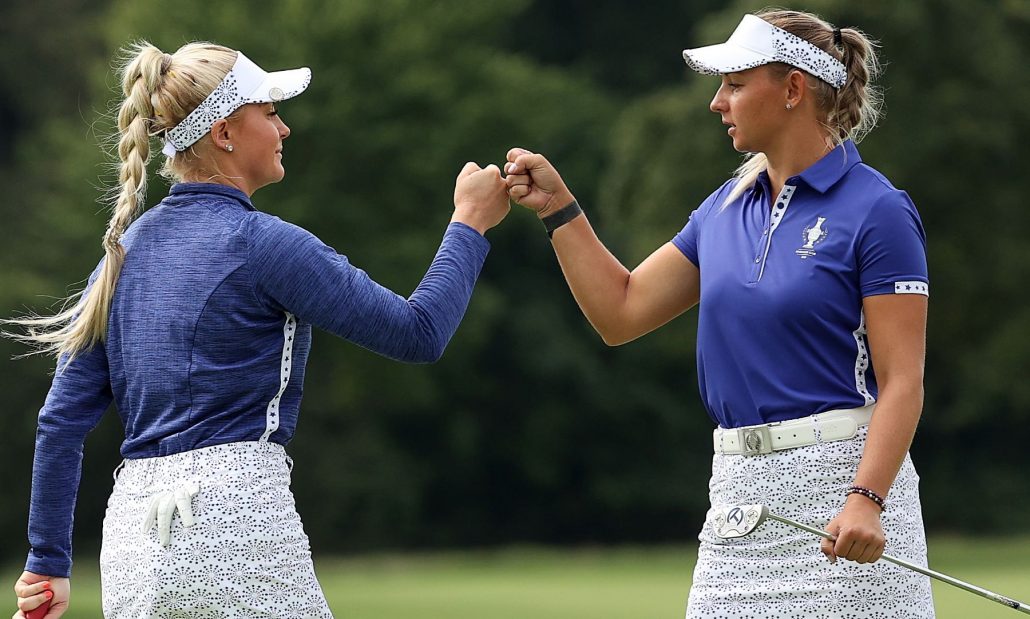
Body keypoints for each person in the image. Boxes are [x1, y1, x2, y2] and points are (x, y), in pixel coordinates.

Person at [8, 40, 509, 618]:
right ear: (223, 133)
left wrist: (46, 563)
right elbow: (418, 333)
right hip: (237, 525)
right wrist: (469, 223)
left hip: (131, 545)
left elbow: (61, 420)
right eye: (270, 113)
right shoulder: (265, 244)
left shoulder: (120, 257)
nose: (285, 128)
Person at [503, 9, 934, 618]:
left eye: (734, 84)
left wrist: (868, 497)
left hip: (843, 499)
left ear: (792, 90)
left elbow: (902, 380)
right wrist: (559, 208)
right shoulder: (724, 208)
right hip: (736, 500)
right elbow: (621, 312)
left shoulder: (879, 211)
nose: (716, 102)